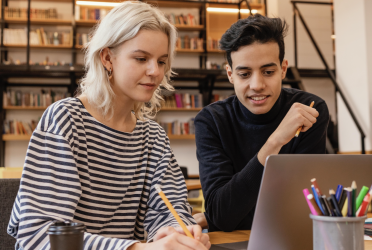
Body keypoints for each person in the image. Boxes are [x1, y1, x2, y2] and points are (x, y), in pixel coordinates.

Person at [7, 2, 210, 250]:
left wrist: (179, 232)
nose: (155, 71)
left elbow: (171, 210)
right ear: (107, 58)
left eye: (162, 61)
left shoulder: (153, 136)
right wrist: (137, 248)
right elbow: (38, 236)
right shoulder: (65, 120)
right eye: (141, 58)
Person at [193, 14, 329, 232]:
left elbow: (301, 208)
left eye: (268, 72)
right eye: (245, 74)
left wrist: (226, 214)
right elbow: (222, 214)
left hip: (290, 239)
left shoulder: (309, 109)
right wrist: (275, 141)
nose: (257, 85)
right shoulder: (211, 121)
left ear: (283, 69)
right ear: (230, 75)